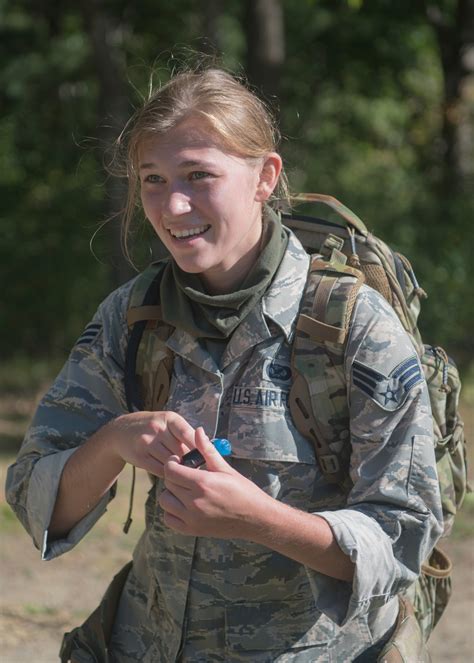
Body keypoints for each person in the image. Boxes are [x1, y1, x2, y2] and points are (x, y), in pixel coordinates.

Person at [6, 67, 443, 662]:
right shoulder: (133, 316)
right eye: (153, 179)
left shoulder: (351, 325)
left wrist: (258, 518)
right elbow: (36, 496)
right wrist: (114, 442)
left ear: (265, 177)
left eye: (198, 175)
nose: (172, 205)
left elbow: (403, 537)